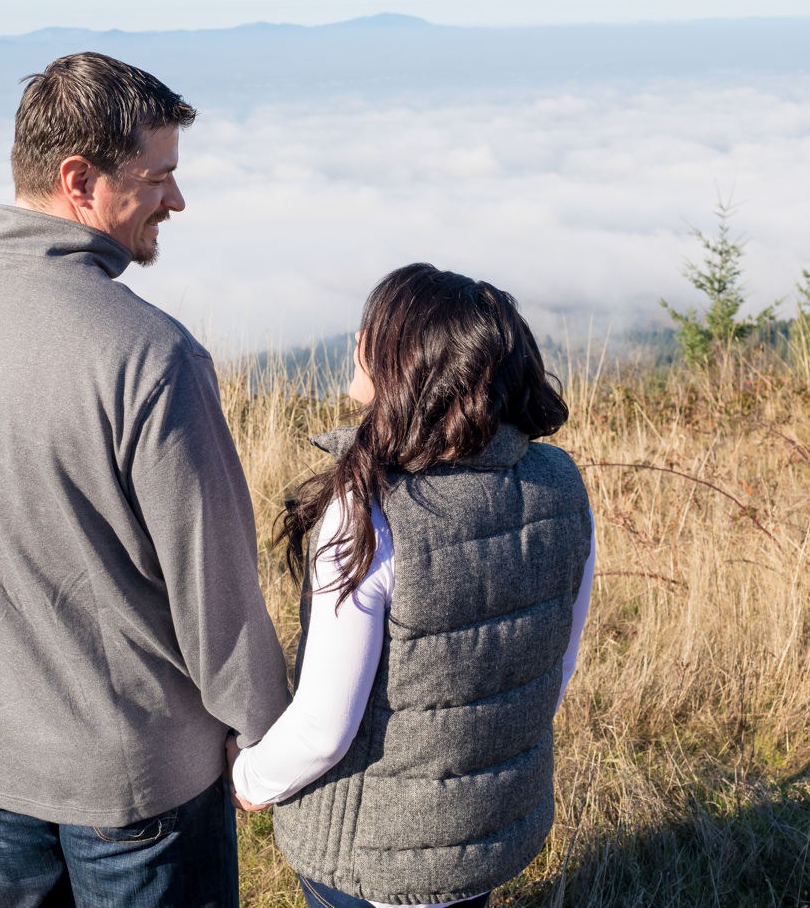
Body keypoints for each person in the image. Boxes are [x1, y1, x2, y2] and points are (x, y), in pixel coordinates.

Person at [0, 52, 289, 908]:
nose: (176, 200)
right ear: (79, 180)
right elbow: (216, 594)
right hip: (136, 786)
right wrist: (267, 735)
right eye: (159, 177)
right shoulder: (149, 357)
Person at [227, 263, 595, 908]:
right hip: (485, 836)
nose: (359, 340)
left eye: (375, 329)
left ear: (408, 359)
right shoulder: (560, 483)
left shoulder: (371, 507)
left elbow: (323, 729)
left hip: (373, 856)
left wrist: (251, 778)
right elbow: (555, 666)